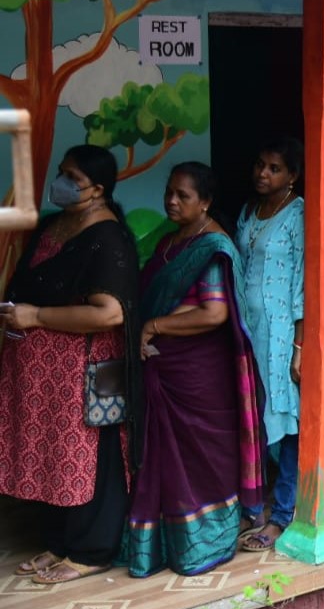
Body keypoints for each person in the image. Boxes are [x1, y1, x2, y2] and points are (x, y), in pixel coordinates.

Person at [0, 145, 137, 583]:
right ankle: (59, 543)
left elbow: (110, 313)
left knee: (86, 457)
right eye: (60, 172)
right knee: (53, 456)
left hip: (84, 370)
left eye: (71, 177)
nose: (60, 182)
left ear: (97, 189)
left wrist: (36, 317)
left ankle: (91, 550)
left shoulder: (107, 237)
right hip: (44, 374)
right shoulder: (55, 225)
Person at [123, 162, 265, 576]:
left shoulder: (213, 247)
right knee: (162, 457)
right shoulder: (172, 241)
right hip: (165, 370)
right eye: (169, 192)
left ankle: (205, 542)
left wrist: (153, 326)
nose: (171, 200)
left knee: (203, 458)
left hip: (198, 375)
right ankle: (163, 544)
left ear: (205, 202)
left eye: (183, 195)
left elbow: (214, 313)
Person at [236, 138, 305, 552]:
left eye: (274, 168)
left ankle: (283, 514)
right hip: (250, 331)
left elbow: (302, 282)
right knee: (252, 416)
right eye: (260, 164)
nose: (263, 173)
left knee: (285, 421)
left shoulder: (297, 215)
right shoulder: (250, 210)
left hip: (280, 335)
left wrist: (299, 346)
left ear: (292, 176)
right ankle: (253, 507)